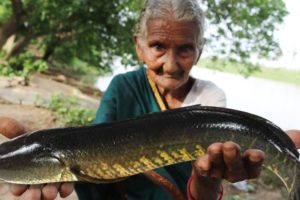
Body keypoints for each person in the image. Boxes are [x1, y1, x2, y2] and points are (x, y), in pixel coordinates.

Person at [0, 0, 299, 199]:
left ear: (199, 51)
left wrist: (208, 176)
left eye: (184, 49)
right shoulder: (122, 87)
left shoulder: (210, 97)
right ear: (139, 47)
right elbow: (93, 149)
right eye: (157, 46)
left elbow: (207, 188)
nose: (171, 64)